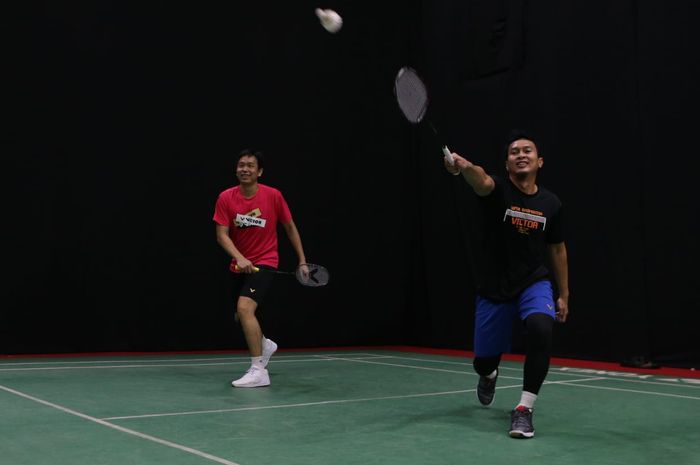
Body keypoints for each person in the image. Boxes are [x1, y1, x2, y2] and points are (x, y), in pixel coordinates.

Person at [444, 129, 569, 438]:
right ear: (508, 163)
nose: (521, 154)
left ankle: (524, 409)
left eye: (527, 150)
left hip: (533, 282)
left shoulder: (551, 203)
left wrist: (563, 293)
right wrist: (464, 167)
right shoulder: (497, 189)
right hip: (494, 287)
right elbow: (480, 179)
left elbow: (557, 249)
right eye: (515, 152)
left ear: (539, 161)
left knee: (542, 326)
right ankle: (489, 374)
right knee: (483, 361)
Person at [213, 148, 308, 388]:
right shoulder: (226, 197)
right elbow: (222, 235)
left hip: (265, 261)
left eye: (250, 165)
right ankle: (265, 344)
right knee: (239, 316)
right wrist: (239, 258)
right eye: (241, 164)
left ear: (260, 172)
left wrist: (302, 261)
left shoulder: (273, 196)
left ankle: (258, 370)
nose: (244, 169)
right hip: (240, 264)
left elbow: (290, 227)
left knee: (245, 308)